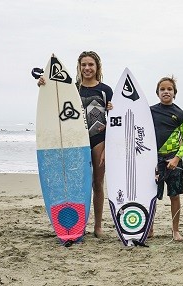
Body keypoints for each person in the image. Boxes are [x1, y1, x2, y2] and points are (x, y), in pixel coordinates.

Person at [37, 51, 113, 238]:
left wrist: (108, 145)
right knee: (76, 183)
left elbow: (113, 119)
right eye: (84, 65)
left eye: (91, 65)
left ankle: (97, 226)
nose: (87, 68)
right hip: (76, 140)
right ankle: (78, 223)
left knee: (98, 183)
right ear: (79, 67)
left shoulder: (105, 90)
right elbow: (55, 101)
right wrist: (44, 83)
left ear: (97, 67)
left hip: (98, 139)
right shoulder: (71, 89)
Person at [148, 76, 183, 241]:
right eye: (162, 89)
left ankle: (175, 230)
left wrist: (177, 159)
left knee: (174, 196)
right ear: (157, 93)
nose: (166, 92)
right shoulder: (150, 111)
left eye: (169, 89)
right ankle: (150, 228)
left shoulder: (180, 113)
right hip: (154, 161)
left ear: (174, 93)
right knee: (151, 196)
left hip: (173, 160)